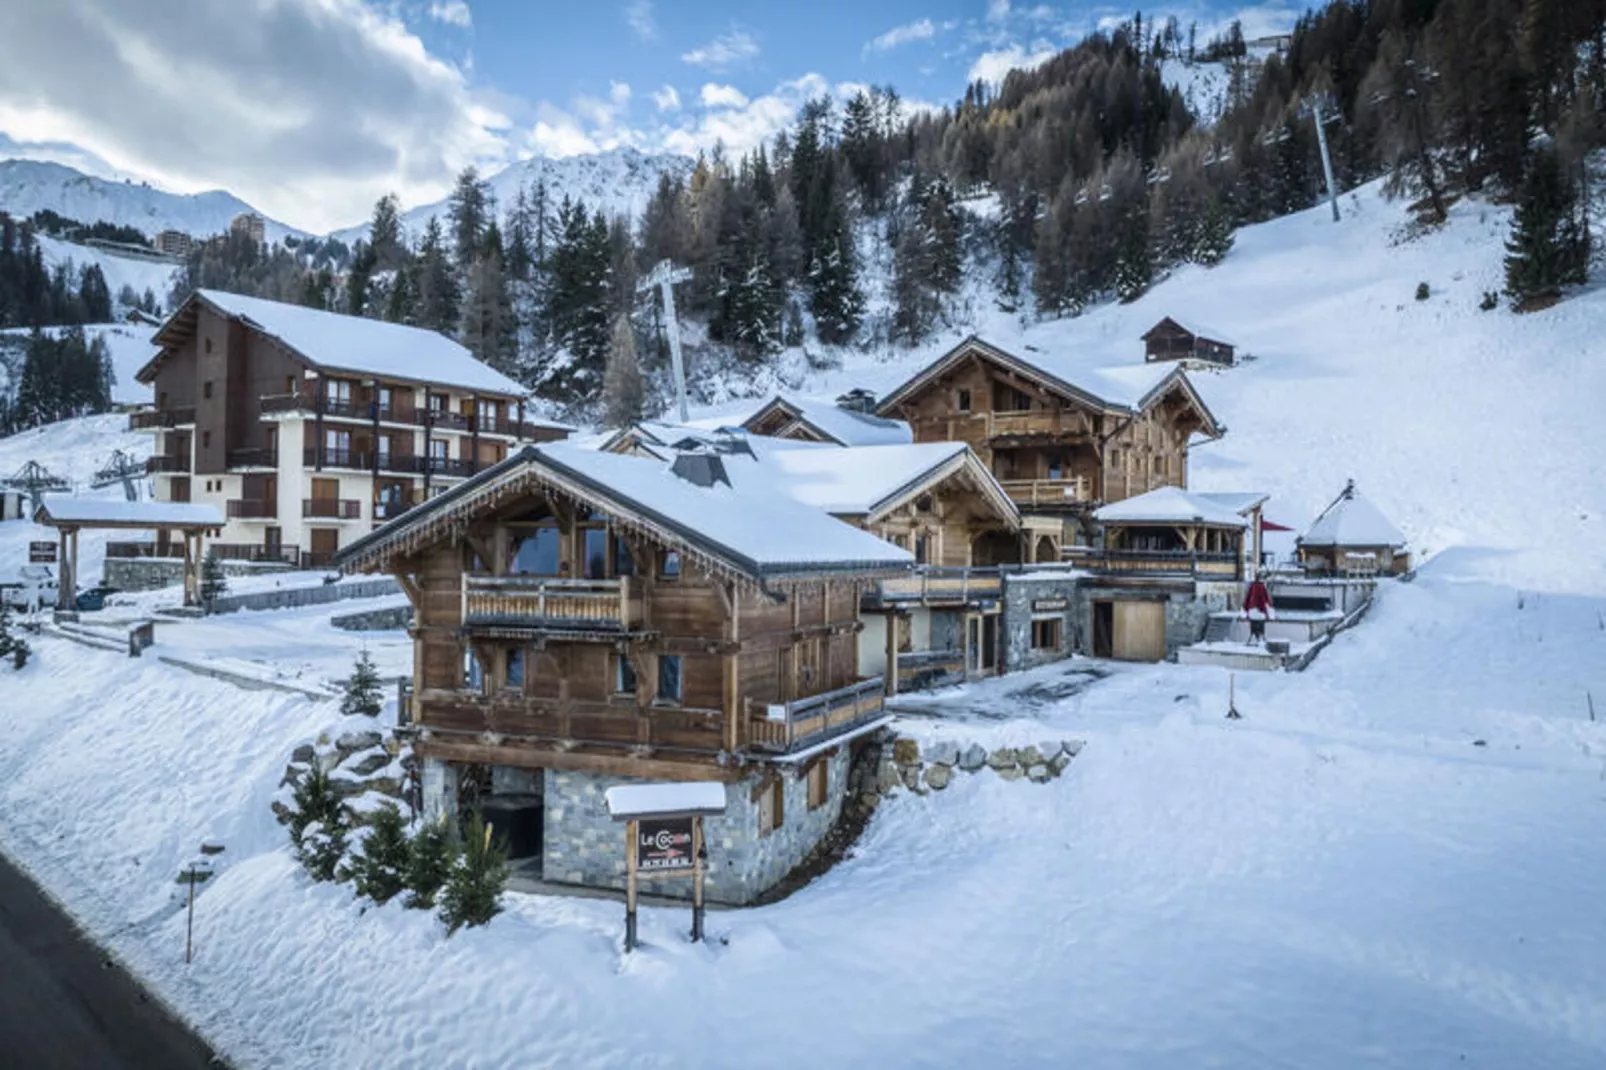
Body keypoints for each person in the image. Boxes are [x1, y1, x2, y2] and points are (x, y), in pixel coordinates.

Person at [1243, 573, 1274, 644]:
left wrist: (1245, 609)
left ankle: (1254, 636)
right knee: (1261, 621)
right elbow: (1266, 599)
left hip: (1252, 612)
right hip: (1260, 612)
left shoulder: (1252, 586)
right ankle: (1261, 636)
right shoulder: (1262, 586)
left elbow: (1247, 598)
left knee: (1254, 621)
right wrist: (1270, 608)